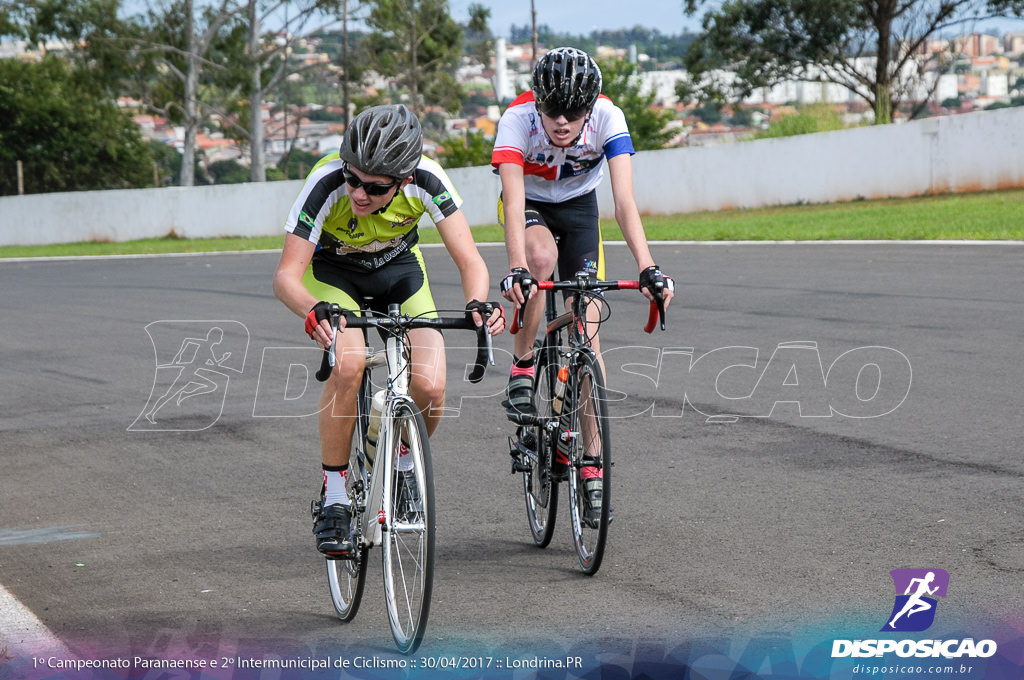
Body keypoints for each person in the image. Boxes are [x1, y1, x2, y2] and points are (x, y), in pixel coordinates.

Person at [273, 104, 504, 558]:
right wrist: (313, 310)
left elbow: (471, 260)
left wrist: (478, 302)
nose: (358, 193)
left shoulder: (429, 179)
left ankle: (399, 460)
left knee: (431, 384)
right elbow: (285, 277)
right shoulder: (326, 183)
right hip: (334, 274)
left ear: (403, 180)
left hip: (399, 270)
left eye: (375, 187)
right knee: (350, 363)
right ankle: (336, 496)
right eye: (353, 179)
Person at [492, 47, 675, 515]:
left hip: (578, 208)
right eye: (552, 110)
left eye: (573, 113)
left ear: (591, 107)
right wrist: (516, 268)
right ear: (538, 103)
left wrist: (648, 267)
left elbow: (624, 202)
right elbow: (512, 204)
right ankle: (524, 362)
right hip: (531, 205)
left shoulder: (609, 117)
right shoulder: (516, 118)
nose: (561, 122)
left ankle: (592, 461)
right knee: (540, 260)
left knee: (589, 338)